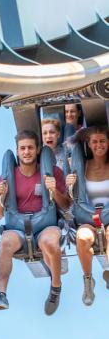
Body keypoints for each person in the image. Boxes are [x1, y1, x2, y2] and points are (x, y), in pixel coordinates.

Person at [0, 130, 71, 315]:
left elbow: (67, 205)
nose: (26, 152)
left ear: (37, 150)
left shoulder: (52, 172)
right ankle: (1, 294)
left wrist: (55, 190)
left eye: (30, 148)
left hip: (45, 225)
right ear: (18, 151)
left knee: (49, 242)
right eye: (23, 148)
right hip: (17, 227)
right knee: (5, 243)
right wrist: (0, 196)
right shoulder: (8, 176)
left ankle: (55, 288)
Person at [66, 127, 109, 306]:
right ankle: (88, 280)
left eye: (102, 141)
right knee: (83, 237)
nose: (98, 145)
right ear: (89, 144)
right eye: (95, 141)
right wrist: (70, 187)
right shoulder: (82, 167)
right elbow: (70, 202)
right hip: (87, 218)